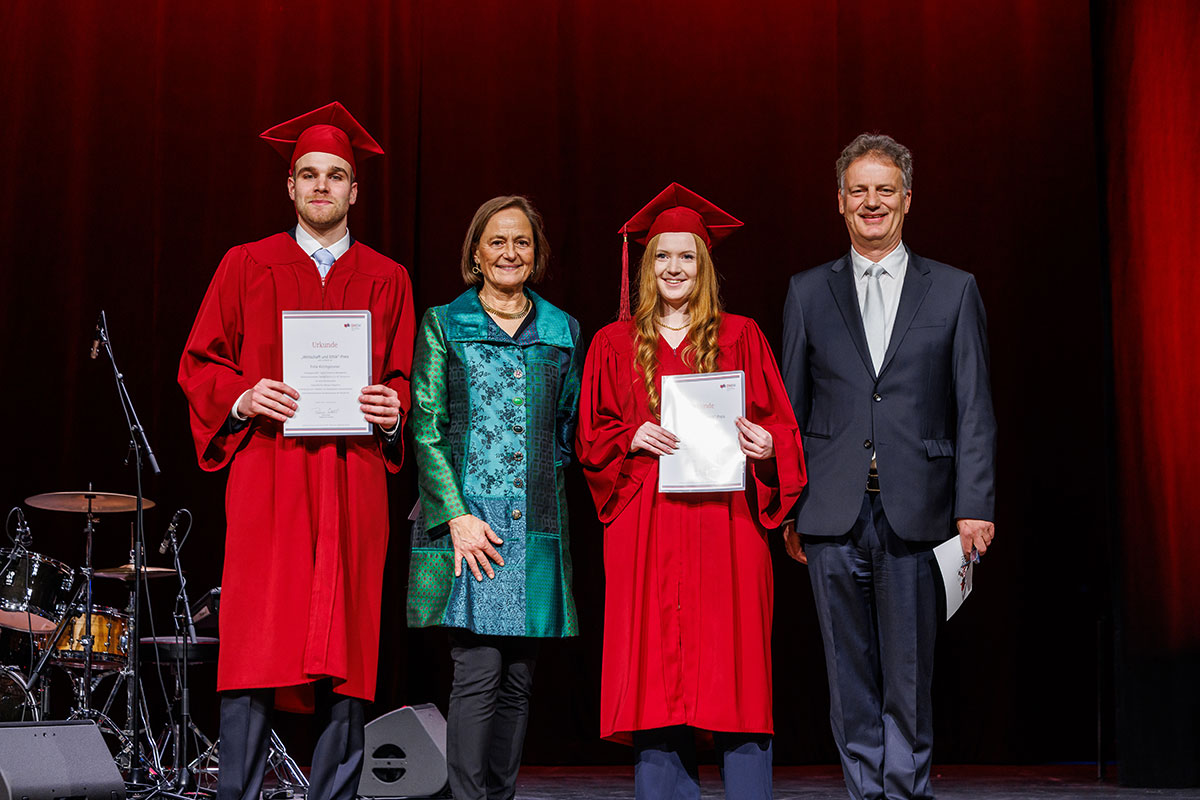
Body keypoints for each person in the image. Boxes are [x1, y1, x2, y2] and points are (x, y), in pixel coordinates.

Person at [178, 101, 415, 800]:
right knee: (257, 641)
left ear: (354, 190)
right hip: (269, 474)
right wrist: (243, 396)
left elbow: (403, 382)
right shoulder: (245, 265)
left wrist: (395, 410)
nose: (321, 186)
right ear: (290, 186)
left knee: (350, 651)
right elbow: (199, 363)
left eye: (335, 176)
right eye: (308, 174)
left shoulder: (387, 276)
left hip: (353, 477)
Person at [780, 133, 997, 800]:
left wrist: (976, 504)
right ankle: (863, 790)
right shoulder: (807, 291)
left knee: (908, 672)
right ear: (840, 202)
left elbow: (975, 406)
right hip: (831, 510)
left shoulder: (954, 290)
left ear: (907, 199)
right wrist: (787, 506)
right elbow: (789, 408)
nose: (872, 201)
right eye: (858, 190)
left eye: (885, 189)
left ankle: (904, 791)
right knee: (847, 671)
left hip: (922, 509)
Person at [576, 183, 806, 800]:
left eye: (687, 258)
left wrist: (767, 448)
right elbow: (590, 439)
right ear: (646, 266)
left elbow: (782, 426)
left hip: (725, 527)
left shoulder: (742, 335)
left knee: (735, 674)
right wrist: (631, 436)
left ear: (703, 266)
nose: (673, 268)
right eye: (661, 257)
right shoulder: (611, 343)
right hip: (645, 522)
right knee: (655, 677)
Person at [405, 196, 581, 800]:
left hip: (535, 522)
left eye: (522, 243)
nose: (510, 253)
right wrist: (455, 516)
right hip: (469, 525)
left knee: (520, 679)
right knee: (477, 670)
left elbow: (565, 430)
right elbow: (426, 426)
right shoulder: (444, 323)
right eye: (497, 242)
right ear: (475, 253)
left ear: (537, 254)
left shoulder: (561, 330)